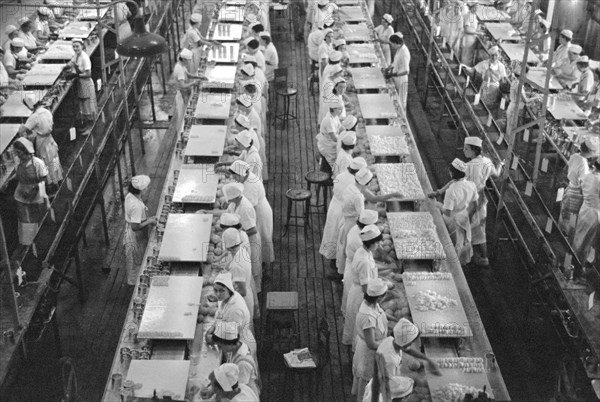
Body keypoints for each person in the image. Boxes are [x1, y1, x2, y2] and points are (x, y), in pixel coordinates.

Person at [336, 168, 402, 276]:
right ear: (366, 182)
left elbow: (372, 199)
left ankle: (340, 273)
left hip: (349, 221)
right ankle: (340, 275)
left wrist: (392, 195)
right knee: (348, 253)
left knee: (345, 249)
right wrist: (385, 258)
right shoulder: (358, 197)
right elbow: (363, 219)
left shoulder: (352, 187)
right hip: (351, 222)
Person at [363, 318, 441, 401]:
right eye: (410, 342)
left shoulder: (391, 340)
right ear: (405, 343)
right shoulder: (390, 359)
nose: (411, 344)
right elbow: (390, 384)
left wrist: (427, 359)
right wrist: (416, 380)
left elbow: (408, 349)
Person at [320, 157, 368, 273]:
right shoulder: (353, 183)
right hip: (343, 212)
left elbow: (335, 188)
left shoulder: (340, 176)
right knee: (339, 238)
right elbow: (355, 201)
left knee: (332, 233)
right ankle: (336, 264)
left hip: (334, 206)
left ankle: (331, 258)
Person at [463, 136, 504, 266]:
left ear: (474, 150)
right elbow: (497, 174)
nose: (464, 151)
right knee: (480, 228)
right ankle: (481, 256)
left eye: (466, 149)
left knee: (470, 226)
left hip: (471, 199)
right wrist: (501, 165)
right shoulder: (486, 161)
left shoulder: (468, 166)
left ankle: (477, 257)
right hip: (481, 198)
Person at [430, 159, 479, 265]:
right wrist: (438, 192)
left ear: (452, 172)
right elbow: (475, 205)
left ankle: (449, 266)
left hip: (450, 221)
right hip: (463, 217)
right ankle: (459, 264)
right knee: (461, 242)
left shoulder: (451, 191)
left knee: (450, 244)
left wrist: (438, 205)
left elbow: (448, 212)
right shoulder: (471, 185)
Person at [229, 160, 274, 273]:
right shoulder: (247, 178)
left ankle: (267, 267)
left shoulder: (250, 185)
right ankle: (264, 264)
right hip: (257, 210)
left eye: (235, 176)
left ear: (240, 174)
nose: (235, 179)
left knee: (264, 239)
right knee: (262, 239)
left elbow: (249, 206)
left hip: (260, 212)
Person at [342, 225, 383, 348]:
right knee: (359, 327)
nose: (378, 245)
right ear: (371, 243)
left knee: (354, 322)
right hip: (361, 294)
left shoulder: (364, 251)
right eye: (377, 243)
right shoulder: (364, 260)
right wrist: (381, 291)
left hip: (359, 290)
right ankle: (355, 348)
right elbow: (366, 288)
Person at [352, 278, 389, 402]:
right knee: (366, 384)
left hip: (370, 347)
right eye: (384, 296)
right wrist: (389, 345)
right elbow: (371, 343)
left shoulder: (371, 304)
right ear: (378, 298)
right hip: (368, 354)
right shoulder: (368, 317)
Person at [18, 95, 63, 193]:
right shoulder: (47, 111)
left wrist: (22, 130)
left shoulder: (34, 117)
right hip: (50, 140)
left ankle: (51, 187)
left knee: (46, 163)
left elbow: (22, 131)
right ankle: (58, 181)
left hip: (42, 142)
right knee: (54, 161)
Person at [223, 183, 263, 294]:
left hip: (251, 237)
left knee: (254, 271)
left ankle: (259, 292)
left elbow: (253, 229)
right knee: (250, 273)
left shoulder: (245, 208)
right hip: (243, 234)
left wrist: (239, 231)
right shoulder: (235, 204)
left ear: (235, 197)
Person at [207, 273, 257, 356]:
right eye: (215, 290)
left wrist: (211, 339)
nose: (218, 294)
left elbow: (229, 337)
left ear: (229, 290)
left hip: (240, 345)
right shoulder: (227, 298)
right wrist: (212, 328)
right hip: (232, 345)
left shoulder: (235, 310)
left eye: (222, 291)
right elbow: (220, 316)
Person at [12, 138, 49, 247]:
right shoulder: (17, 161)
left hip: (36, 196)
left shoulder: (38, 163)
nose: (18, 155)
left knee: (37, 220)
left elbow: (43, 180)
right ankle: (28, 245)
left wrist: (35, 190)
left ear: (26, 151)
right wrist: (9, 181)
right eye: (16, 152)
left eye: (19, 152)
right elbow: (18, 175)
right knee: (25, 222)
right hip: (21, 196)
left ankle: (40, 243)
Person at [342, 209, 378, 315]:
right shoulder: (359, 243)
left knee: (351, 312)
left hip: (354, 274)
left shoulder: (357, 230)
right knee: (356, 318)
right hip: (359, 288)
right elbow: (365, 286)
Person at [558, 139, 596, 238]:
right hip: (576, 193)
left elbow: (567, 168)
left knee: (565, 213)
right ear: (590, 152)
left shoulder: (575, 156)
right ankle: (567, 236)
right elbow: (583, 183)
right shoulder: (583, 164)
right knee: (572, 216)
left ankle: (561, 231)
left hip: (570, 187)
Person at [210, 321, 260, 396]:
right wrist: (213, 389)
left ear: (230, 344)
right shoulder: (237, 346)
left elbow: (238, 391)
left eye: (220, 346)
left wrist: (215, 392)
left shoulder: (243, 364)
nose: (220, 349)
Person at [123, 175, 156, 285]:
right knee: (137, 262)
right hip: (135, 236)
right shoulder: (136, 205)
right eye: (146, 188)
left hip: (131, 233)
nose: (147, 189)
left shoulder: (130, 196)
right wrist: (150, 221)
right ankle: (136, 287)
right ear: (141, 189)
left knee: (135, 261)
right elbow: (135, 226)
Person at [222, 228, 256, 321]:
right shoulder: (241, 250)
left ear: (227, 246)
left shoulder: (236, 266)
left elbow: (242, 292)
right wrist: (225, 269)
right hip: (247, 291)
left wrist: (223, 295)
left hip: (242, 300)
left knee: (243, 329)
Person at [66, 39, 97, 135]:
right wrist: (64, 68)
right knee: (83, 107)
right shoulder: (76, 56)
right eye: (74, 47)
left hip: (86, 84)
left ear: (82, 46)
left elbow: (88, 74)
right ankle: (87, 126)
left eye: (77, 46)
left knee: (88, 107)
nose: (75, 48)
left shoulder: (84, 58)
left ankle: (91, 127)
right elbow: (70, 63)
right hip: (81, 84)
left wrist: (76, 75)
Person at [573, 161, 600, 263]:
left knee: (579, 236)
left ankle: (573, 260)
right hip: (594, 214)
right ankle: (577, 265)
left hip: (584, 208)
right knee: (587, 241)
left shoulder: (587, 175)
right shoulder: (599, 180)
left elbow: (581, 190)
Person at [172, 48, 205, 128]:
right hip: (182, 95)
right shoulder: (179, 69)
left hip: (185, 93)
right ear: (183, 59)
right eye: (188, 60)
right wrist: (193, 83)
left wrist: (199, 77)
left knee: (186, 114)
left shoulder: (181, 65)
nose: (190, 62)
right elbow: (182, 85)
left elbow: (188, 74)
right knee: (182, 117)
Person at [316, 97, 346, 172]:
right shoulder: (329, 120)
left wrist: (347, 130)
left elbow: (340, 127)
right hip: (326, 145)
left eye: (341, 109)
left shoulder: (334, 116)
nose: (341, 111)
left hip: (330, 142)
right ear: (333, 109)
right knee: (333, 162)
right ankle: (328, 176)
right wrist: (345, 139)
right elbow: (334, 138)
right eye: (339, 109)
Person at [505, 61, 534, 137]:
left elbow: (520, 94)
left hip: (512, 108)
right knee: (511, 131)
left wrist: (530, 94)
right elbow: (525, 100)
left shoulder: (516, 81)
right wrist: (535, 98)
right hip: (514, 109)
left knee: (509, 129)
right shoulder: (519, 84)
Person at [388, 33, 411, 111]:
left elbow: (406, 71)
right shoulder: (399, 49)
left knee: (402, 101)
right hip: (397, 77)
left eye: (392, 44)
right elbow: (396, 62)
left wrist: (394, 74)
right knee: (395, 97)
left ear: (396, 43)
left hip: (402, 79)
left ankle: (402, 120)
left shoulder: (404, 52)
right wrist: (389, 67)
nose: (391, 46)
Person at [460, 0, 479, 66]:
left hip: (471, 39)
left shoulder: (473, 15)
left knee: (469, 55)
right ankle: (463, 70)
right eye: (476, 7)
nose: (477, 9)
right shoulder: (469, 15)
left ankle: (466, 69)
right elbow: (467, 29)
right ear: (472, 7)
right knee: (466, 56)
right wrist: (477, 33)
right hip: (468, 39)